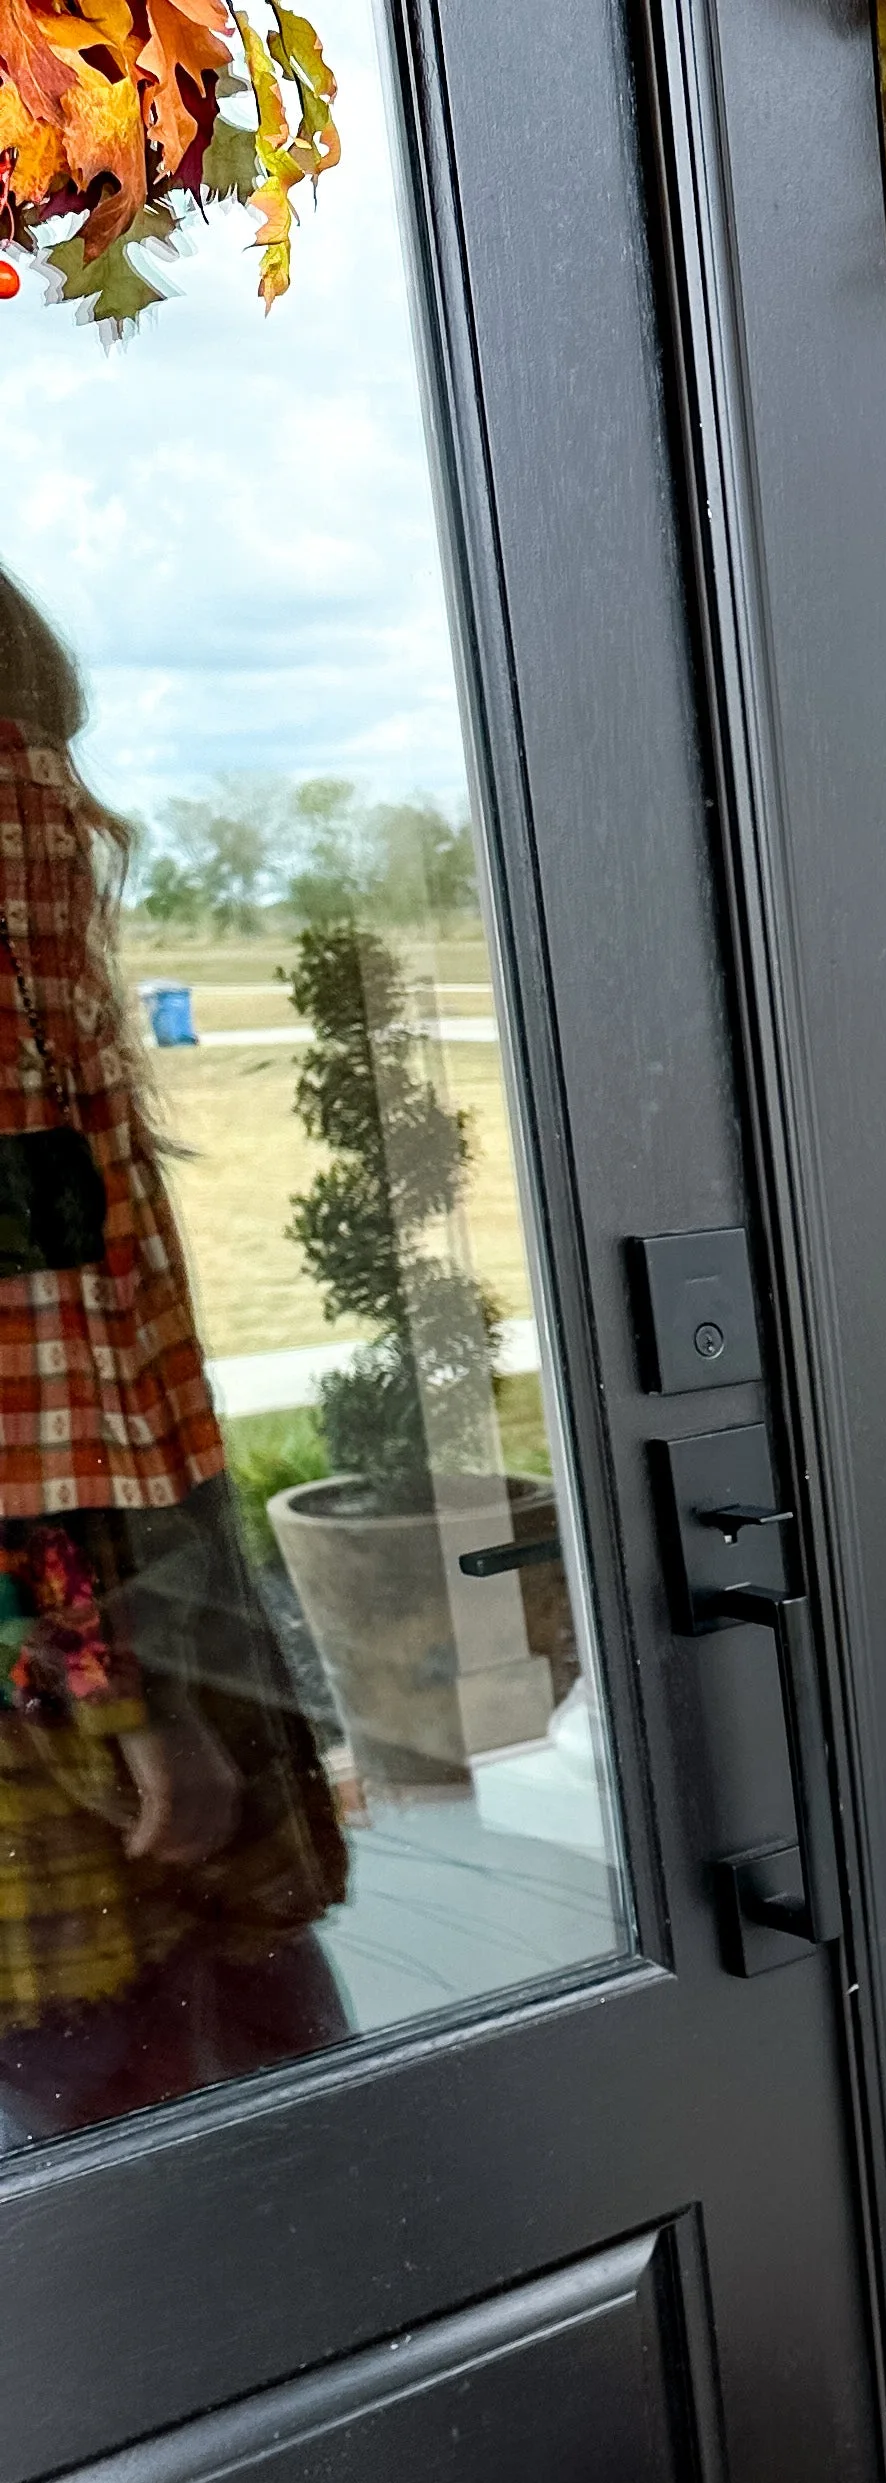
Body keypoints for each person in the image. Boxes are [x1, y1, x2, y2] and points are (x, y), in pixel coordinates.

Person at [0, 568, 348, 2146]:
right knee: (149, 2090)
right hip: (71, 1655)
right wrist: (129, 1700)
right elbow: (35, 1384)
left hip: (92, 1609)